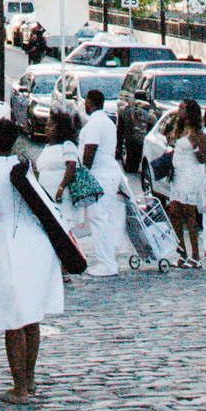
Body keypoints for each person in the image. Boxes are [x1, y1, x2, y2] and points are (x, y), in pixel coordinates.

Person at [0, 114, 66, 402]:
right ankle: (30, 378)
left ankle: (19, 389)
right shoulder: (26, 167)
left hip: (9, 245)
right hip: (36, 243)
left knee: (14, 319)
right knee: (31, 317)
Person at [78, 88, 122, 277]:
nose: (84, 105)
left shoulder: (94, 124)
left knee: (98, 218)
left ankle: (107, 263)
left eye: (85, 101)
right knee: (105, 217)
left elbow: (90, 151)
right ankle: (108, 258)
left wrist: (83, 174)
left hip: (100, 174)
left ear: (90, 102)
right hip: (109, 172)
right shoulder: (107, 121)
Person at [165, 98, 206, 270]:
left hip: (191, 175)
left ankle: (195, 256)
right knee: (174, 211)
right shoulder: (179, 129)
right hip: (178, 174)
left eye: (182, 108)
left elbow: (201, 159)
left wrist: (194, 146)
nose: (179, 111)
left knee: (189, 214)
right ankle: (182, 253)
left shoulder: (198, 133)